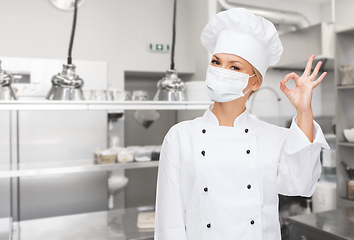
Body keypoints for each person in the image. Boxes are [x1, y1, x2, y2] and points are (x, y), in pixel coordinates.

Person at [154, 8, 329, 240]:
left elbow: (301, 185)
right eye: (216, 62)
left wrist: (304, 111)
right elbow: (170, 223)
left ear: (255, 82)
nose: (221, 71)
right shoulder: (180, 136)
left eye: (234, 67)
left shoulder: (274, 137)